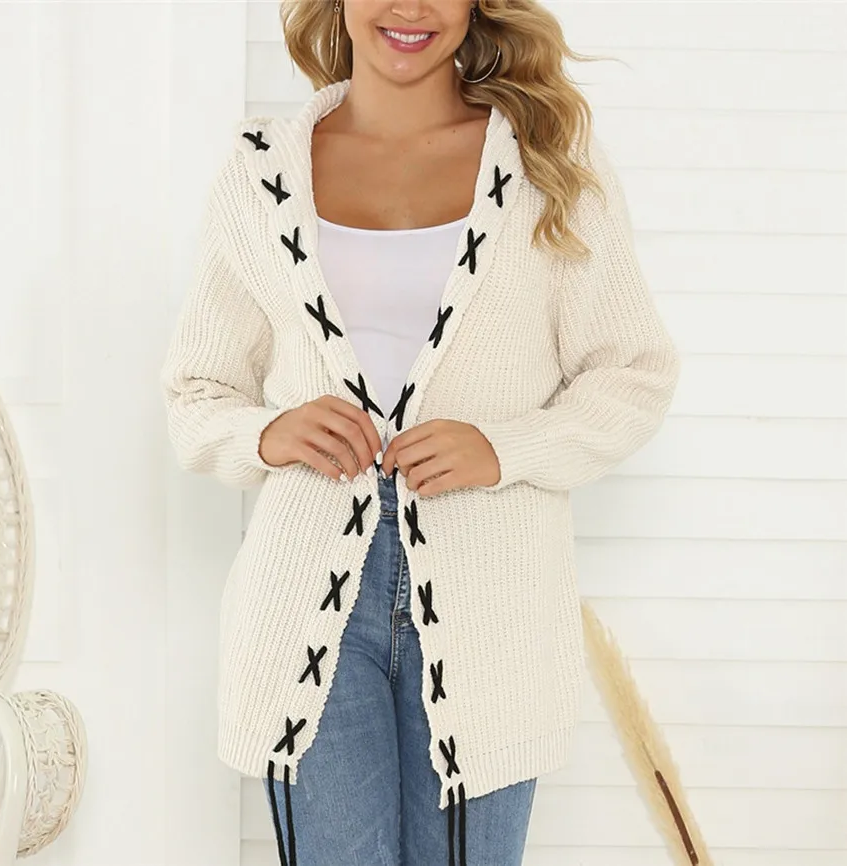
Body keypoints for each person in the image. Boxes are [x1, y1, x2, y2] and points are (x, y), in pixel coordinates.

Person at [160, 1, 681, 863]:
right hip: (305, 603)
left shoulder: (548, 160)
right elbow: (195, 393)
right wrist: (270, 431)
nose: (409, 7)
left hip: (494, 606)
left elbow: (634, 373)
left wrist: (504, 448)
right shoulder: (260, 173)